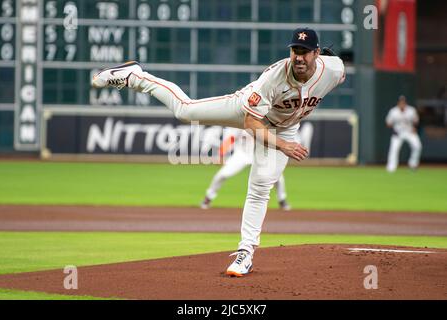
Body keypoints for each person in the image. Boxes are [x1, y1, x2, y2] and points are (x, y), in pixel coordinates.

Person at [92, 27, 345, 277]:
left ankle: (245, 253)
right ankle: (135, 76)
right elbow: (251, 123)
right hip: (248, 111)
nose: (299, 57)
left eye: (305, 51)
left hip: (286, 127)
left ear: (316, 53)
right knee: (185, 111)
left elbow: (339, 69)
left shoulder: (333, 70)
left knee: (260, 187)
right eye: (295, 50)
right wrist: (284, 145)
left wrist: (284, 140)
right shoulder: (274, 78)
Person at [201, 122, 314, 211]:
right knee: (222, 175)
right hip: (242, 153)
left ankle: (282, 200)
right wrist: (221, 153)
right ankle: (208, 198)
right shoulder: (242, 121)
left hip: (261, 154)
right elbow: (231, 138)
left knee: (278, 178)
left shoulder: (267, 120)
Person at [385, 95, 422, 172]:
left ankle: (413, 164)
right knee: (394, 149)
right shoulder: (393, 111)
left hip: (409, 132)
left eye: (403, 102)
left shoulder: (411, 110)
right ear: (398, 103)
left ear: (405, 103)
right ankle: (391, 168)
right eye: (400, 102)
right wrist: (393, 126)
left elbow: (416, 121)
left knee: (417, 146)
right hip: (398, 133)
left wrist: (415, 127)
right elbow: (388, 123)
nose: (402, 103)